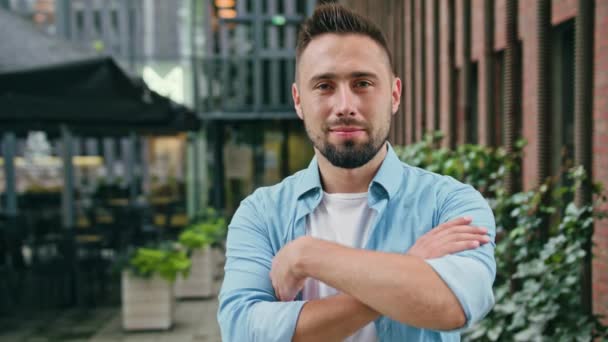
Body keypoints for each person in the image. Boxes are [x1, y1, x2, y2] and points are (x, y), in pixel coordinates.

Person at [217, 4, 495, 341]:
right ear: (298, 100)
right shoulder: (260, 214)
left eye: (362, 83)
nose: (345, 105)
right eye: (324, 86)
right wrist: (408, 269)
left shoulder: (448, 203)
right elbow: (245, 331)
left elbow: (454, 306)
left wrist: (308, 256)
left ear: (394, 95)